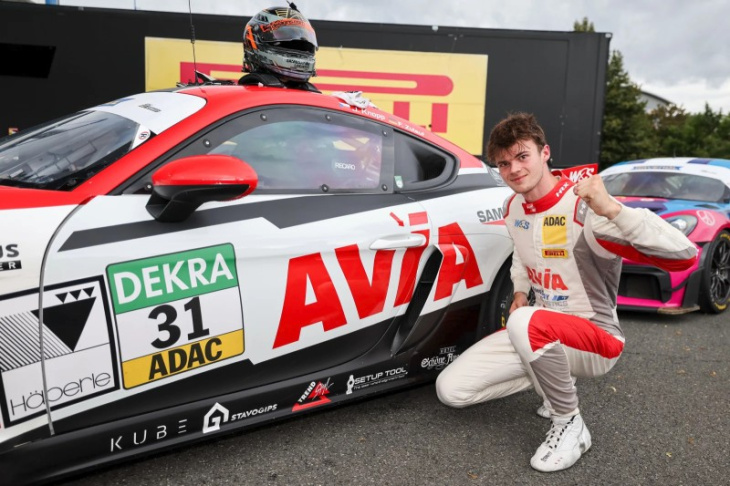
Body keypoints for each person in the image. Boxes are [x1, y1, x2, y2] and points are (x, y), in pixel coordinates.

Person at [435, 113, 697, 472]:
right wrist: (521, 290)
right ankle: (552, 375)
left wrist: (614, 209)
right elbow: (520, 251)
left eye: (522, 156)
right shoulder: (513, 206)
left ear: (545, 153)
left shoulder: (584, 206)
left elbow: (685, 255)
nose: (514, 169)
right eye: (504, 163)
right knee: (451, 390)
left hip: (598, 340)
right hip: (539, 329)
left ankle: (569, 422)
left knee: (525, 323)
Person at [238, 5, 320, 92]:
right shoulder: (243, 97)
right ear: (254, 41)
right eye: (282, 35)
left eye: (302, 44)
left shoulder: (315, 100)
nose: (298, 47)